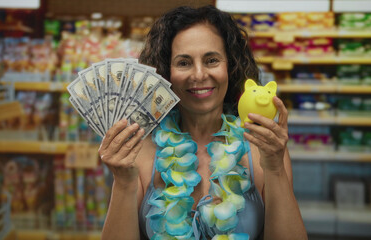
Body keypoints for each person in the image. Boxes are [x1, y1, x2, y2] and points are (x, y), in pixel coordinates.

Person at [99, 5, 307, 240]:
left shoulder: (262, 147)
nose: (198, 75)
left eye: (211, 60)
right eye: (184, 63)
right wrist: (123, 183)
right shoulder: (140, 149)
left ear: (231, 65)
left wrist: (276, 169)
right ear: (166, 72)